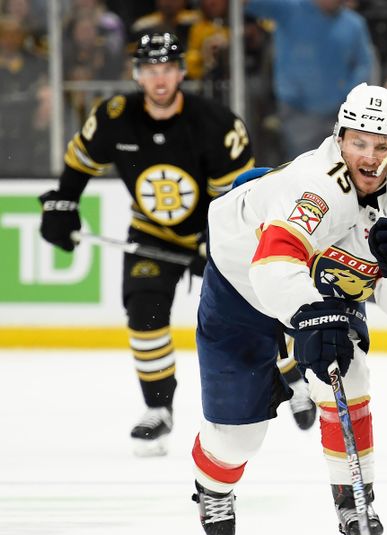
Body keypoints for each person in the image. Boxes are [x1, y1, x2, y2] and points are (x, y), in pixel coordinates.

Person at [189, 83, 387, 535]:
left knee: (348, 374)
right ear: (339, 138)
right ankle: (213, 488)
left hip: (324, 279)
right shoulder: (316, 187)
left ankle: (355, 500)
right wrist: (310, 316)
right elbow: (273, 265)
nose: (370, 157)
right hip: (243, 280)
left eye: (382, 146)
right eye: (358, 142)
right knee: (238, 438)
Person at [37, 32, 259, 457]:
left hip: (213, 232)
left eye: (168, 70)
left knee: (248, 309)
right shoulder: (114, 117)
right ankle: (158, 407)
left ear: (180, 73)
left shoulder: (215, 124)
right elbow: (80, 161)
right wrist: (64, 203)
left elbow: (236, 200)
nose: (160, 80)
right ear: (138, 74)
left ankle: (288, 373)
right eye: (151, 71)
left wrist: (214, 245)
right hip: (151, 231)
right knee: (144, 309)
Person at [245, 0, 374, 162]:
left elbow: (364, 64)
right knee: (302, 170)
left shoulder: (354, 24)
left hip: (338, 115)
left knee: (338, 173)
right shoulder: (289, 8)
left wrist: (348, 95)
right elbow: (249, 3)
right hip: (297, 114)